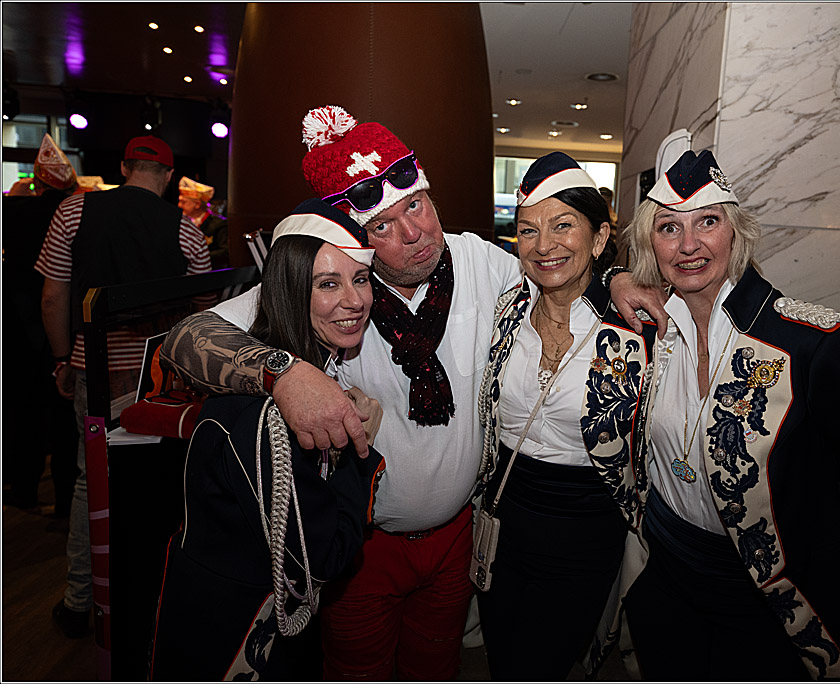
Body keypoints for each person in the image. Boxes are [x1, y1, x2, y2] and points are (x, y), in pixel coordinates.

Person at [158, 104, 667, 679]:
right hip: (364, 548)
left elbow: (556, 268)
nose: (413, 234)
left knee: (437, 667)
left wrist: (615, 277)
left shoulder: (479, 261)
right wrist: (285, 372)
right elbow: (183, 339)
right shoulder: (333, 285)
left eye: (416, 205)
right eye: (382, 226)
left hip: (457, 538)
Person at [615, 149, 840, 680]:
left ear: (737, 233)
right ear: (648, 245)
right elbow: (565, 276)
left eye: (708, 222)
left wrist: (795, 503)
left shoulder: (813, 343)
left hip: (764, 589)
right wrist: (617, 278)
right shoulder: (645, 330)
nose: (688, 245)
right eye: (668, 228)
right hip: (666, 568)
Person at [149, 200, 385, 680]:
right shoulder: (269, 410)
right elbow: (325, 557)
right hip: (234, 631)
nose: (354, 300)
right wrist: (359, 449)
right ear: (290, 290)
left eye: (360, 279)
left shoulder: (303, 365)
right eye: (328, 284)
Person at [476, 152, 657, 679]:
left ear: (598, 239)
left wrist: (618, 277)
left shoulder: (636, 329)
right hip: (503, 520)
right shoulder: (504, 310)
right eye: (528, 230)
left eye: (562, 226)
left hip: (585, 529)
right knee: (501, 659)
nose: (543, 245)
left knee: (542, 664)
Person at [36, 134, 212, 639]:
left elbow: (53, 296)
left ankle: (80, 601)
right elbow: (204, 311)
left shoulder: (73, 211)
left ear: (123, 167)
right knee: (156, 480)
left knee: (90, 480)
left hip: (94, 368)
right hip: (159, 375)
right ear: (169, 176)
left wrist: (61, 358)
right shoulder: (185, 229)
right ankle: (150, 594)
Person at [3, 134, 81, 514]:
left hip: (20, 330)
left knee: (23, 413)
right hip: (63, 328)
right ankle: (66, 502)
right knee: (65, 419)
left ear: (37, 180)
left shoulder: (15, 213)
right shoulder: (76, 215)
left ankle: (23, 489)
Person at [178, 176, 229, 268]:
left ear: (197, 204)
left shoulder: (218, 224)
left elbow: (225, 252)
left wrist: (199, 257)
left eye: (183, 202)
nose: (179, 205)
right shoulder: (179, 222)